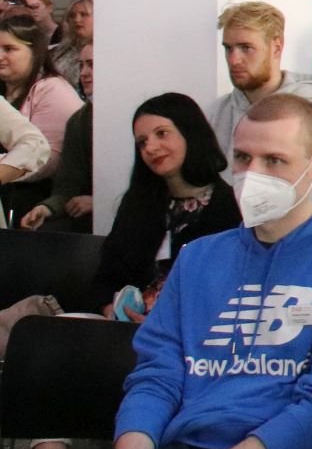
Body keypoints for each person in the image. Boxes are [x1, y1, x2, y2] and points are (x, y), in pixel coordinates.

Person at [110, 94, 312, 449]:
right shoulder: (199, 258)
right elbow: (157, 377)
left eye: (274, 161)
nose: (252, 175)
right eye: (243, 158)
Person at [85, 93, 239, 317]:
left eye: (162, 134)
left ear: (190, 133)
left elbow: (225, 292)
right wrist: (111, 310)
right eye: (142, 142)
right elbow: (106, 277)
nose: (151, 147)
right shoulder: (137, 203)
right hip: (125, 328)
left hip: (193, 334)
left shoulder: (229, 208)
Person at [207, 1, 312, 155]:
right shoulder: (214, 115)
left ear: (276, 48)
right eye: (228, 48)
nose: (233, 60)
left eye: (246, 48)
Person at [0, 13, 80, 220]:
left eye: (9, 49)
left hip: (33, 197)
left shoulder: (53, 89)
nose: (0, 56)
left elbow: (46, 156)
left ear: (34, 51)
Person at [19, 43, 90, 231]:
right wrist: (46, 208)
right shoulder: (79, 120)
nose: (84, 73)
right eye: (81, 65)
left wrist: (98, 202)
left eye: (91, 65)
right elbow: (67, 186)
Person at [50, 0, 90, 89]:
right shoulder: (59, 52)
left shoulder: (103, 54)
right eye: (72, 16)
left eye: (83, 14)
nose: (77, 20)